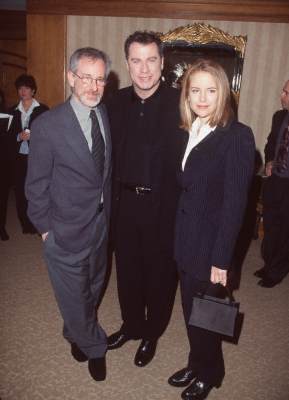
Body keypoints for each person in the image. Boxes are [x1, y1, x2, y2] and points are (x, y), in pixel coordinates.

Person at [168, 59, 255, 400]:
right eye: (195, 90)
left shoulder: (237, 136)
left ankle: (210, 373)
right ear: (186, 95)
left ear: (224, 93)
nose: (202, 98)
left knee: (205, 316)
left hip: (211, 248)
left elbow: (235, 206)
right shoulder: (190, 129)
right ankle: (196, 362)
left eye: (211, 90)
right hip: (185, 241)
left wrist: (222, 260)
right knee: (190, 311)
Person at [25, 47, 112, 381]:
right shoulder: (47, 125)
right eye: (85, 77)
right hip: (63, 229)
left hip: (101, 224)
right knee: (75, 292)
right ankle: (94, 346)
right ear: (70, 77)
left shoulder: (103, 114)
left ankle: (74, 330)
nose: (93, 86)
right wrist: (46, 230)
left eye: (100, 78)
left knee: (92, 286)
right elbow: (35, 185)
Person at [106, 31, 185, 367]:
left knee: (160, 274)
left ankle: (152, 332)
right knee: (127, 271)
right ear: (127, 63)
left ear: (162, 62)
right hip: (124, 205)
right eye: (136, 60)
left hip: (164, 206)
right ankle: (131, 324)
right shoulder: (114, 102)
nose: (144, 69)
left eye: (151, 59)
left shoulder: (181, 103)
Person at [254, 79, 289, 288]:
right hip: (275, 179)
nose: (281, 95)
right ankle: (268, 264)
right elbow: (270, 143)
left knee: (285, 230)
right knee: (270, 224)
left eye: (286, 92)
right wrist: (268, 161)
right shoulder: (279, 117)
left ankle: (276, 272)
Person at [9, 74, 49, 234]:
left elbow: (49, 133)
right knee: (20, 191)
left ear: (33, 90)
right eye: (20, 88)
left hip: (38, 157)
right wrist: (19, 136)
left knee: (38, 191)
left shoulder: (43, 109)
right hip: (19, 158)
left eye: (26, 88)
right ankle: (25, 224)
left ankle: (39, 224)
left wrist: (35, 136)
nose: (23, 91)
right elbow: (5, 137)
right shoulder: (11, 111)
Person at [0, 90, 15, 240]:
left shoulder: (7, 114)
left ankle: (2, 227)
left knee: (3, 197)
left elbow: (12, 140)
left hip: (2, 161)